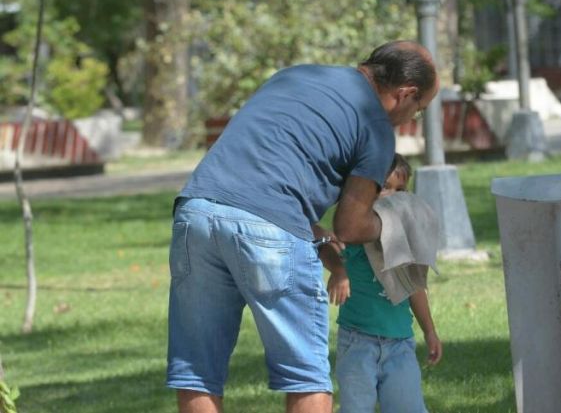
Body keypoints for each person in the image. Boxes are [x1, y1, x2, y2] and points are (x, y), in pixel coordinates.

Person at [166, 41, 439, 413]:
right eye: (419, 109)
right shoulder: (376, 127)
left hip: (195, 212)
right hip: (271, 227)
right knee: (305, 376)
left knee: (198, 373)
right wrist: (398, 223)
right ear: (405, 93)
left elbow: (268, 158)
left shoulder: (298, 75)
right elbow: (350, 226)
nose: (412, 118)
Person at [323, 154, 443, 413]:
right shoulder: (354, 231)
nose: (393, 196)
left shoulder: (402, 236)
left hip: (400, 343)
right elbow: (328, 242)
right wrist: (338, 271)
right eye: (385, 187)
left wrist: (430, 331)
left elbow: (414, 287)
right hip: (357, 342)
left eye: (400, 190)